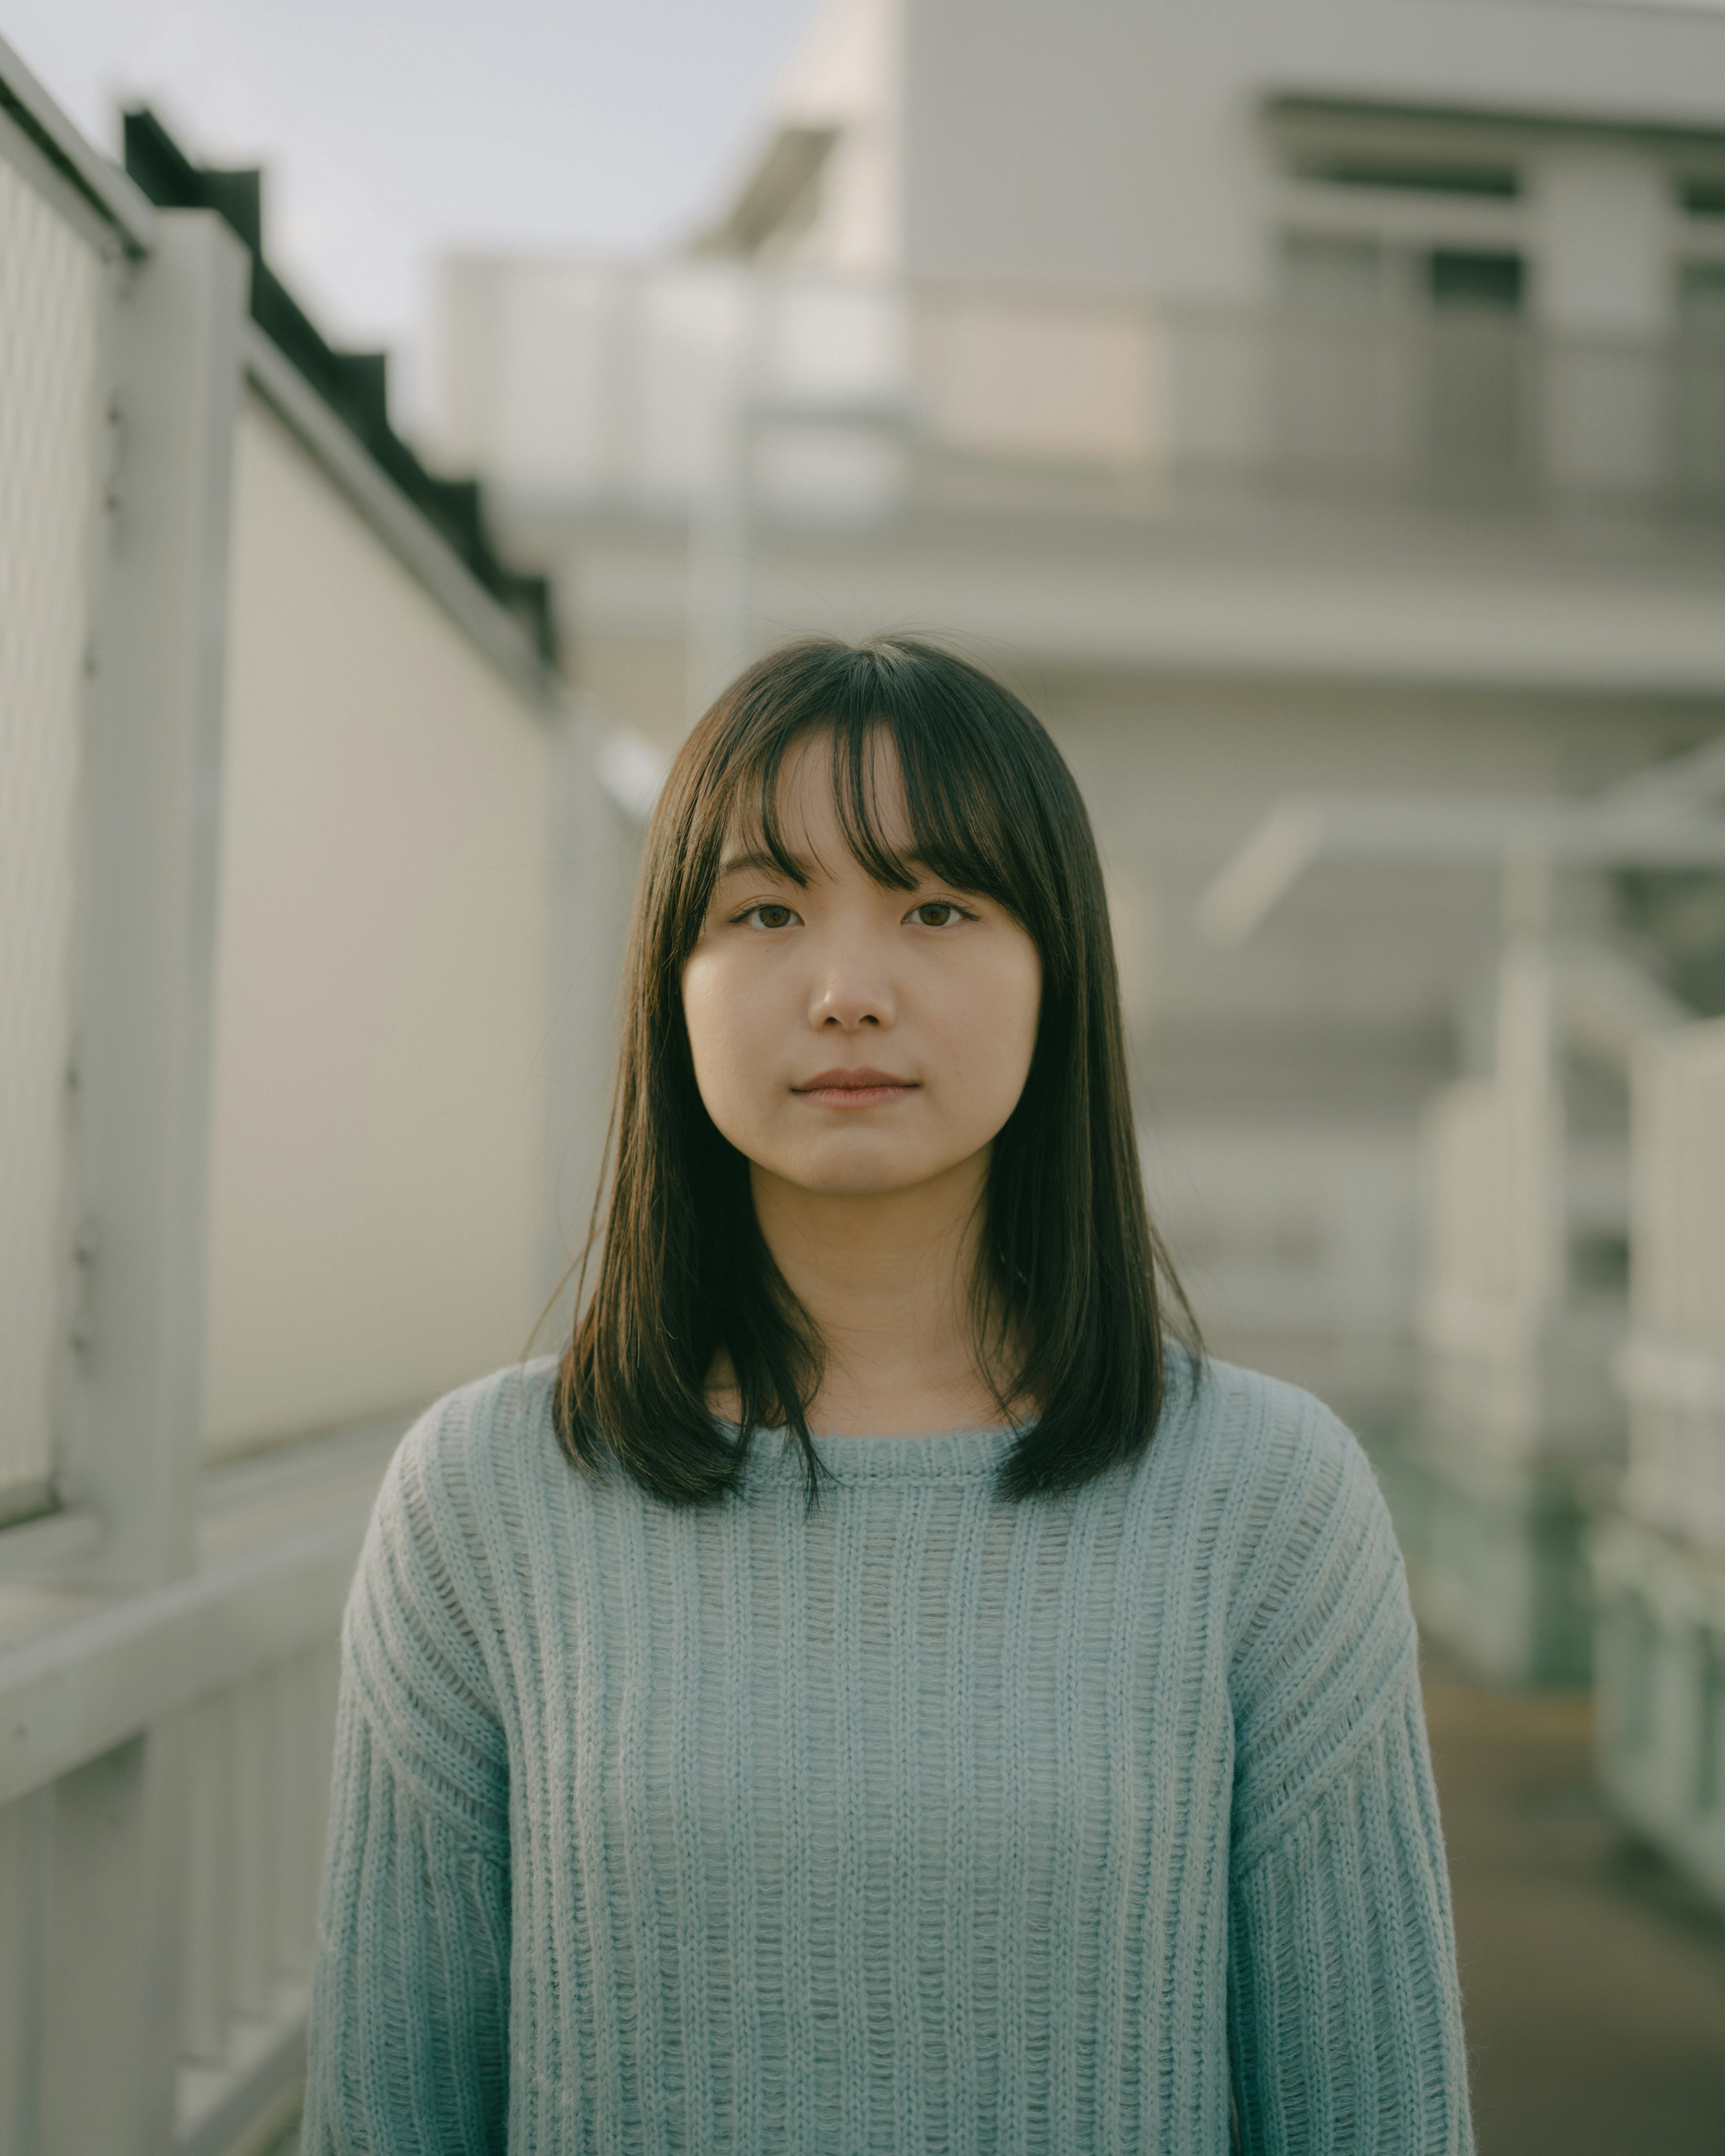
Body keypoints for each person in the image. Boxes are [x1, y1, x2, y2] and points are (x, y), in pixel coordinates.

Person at [301, 635, 1473, 2154]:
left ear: (1060, 970)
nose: (849, 991)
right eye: (767, 910)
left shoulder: (1264, 1500)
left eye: (936, 906)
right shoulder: (483, 1503)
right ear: (673, 982)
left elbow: (1378, 2116)